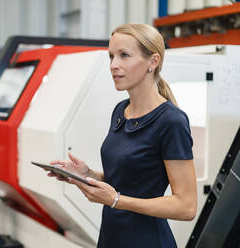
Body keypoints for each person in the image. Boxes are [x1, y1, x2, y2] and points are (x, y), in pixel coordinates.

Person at [48, 23, 197, 248]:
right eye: (111, 56)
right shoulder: (121, 111)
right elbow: (128, 180)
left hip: (147, 241)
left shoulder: (171, 121)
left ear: (153, 62)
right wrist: (88, 175)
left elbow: (186, 206)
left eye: (124, 55)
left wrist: (117, 201)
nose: (114, 65)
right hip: (111, 237)